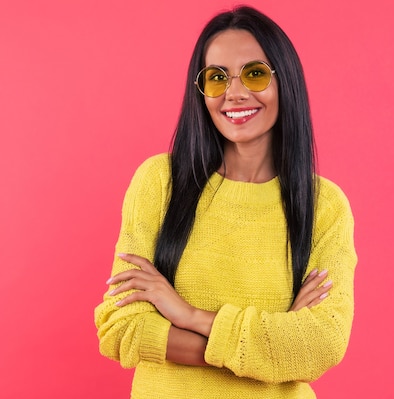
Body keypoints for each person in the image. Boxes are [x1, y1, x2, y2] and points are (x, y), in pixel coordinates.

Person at [94, 6, 357, 399]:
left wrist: (188, 316)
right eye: (216, 78)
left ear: (285, 81)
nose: (234, 93)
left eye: (254, 73)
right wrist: (269, 343)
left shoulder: (324, 206)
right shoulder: (160, 182)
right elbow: (121, 326)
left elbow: (321, 344)